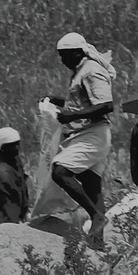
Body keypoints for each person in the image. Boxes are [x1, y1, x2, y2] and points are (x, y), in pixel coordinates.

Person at [50, 32, 116, 246]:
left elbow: (106, 105)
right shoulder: (80, 71)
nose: (62, 61)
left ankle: (96, 215)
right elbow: (81, 103)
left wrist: (72, 116)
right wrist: (55, 101)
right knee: (92, 186)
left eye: (65, 56)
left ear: (78, 52)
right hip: (89, 133)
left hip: (92, 134)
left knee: (60, 171)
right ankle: (98, 244)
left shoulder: (92, 71)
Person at [0, 127, 29, 225]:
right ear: (2, 147)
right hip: (4, 220)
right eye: (11, 145)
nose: (16, 148)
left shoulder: (14, 163)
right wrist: (16, 223)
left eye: (17, 144)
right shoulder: (2, 173)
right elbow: (9, 203)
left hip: (16, 216)